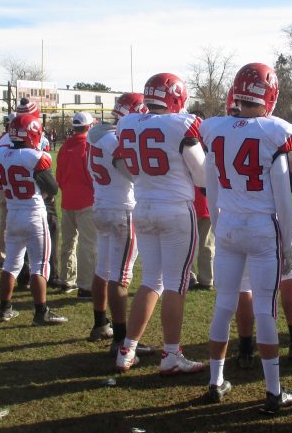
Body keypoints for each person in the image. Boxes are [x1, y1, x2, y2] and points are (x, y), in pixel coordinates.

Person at [200, 63, 292, 412]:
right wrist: (286, 244)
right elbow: (283, 200)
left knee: (224, 303)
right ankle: (273, 391)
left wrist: (218, 224)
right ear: (270, 93)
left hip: (227, 223)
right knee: (265, 310)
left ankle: (215, 381)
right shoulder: (276, 132)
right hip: (262, 227)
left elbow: (210, 188)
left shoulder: (214, 129)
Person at [113, 72, 207, 376]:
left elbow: (121, 165)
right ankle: (171, 354)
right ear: (177, 97)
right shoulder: (180, 124)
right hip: (175, 210)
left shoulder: (128, 122)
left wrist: (145, 180)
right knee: (176, 283)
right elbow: (203, 176)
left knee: (151, 280)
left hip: (143, 208)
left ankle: (126, 349)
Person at [87, 93, 154, 355]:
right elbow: (129, 171)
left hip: (101, 205)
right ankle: (121, 339)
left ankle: (100, 324)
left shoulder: (96, 134)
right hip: (121, 209)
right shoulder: (116, 139)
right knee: (120, 276)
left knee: (103, 270)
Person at [0, 113, 66, 325]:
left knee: (11, 264)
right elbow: (52, 188)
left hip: (13, 213)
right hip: (33, 213)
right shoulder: (35, 156)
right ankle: (41, 312)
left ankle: (4, 309)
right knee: (39, 265)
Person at [56, 111, 98, 296]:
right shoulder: (87, 147)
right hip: (86, 201)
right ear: (88, 127)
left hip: (68, 200)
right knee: (88, 244)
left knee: (68, 242)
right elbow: (92, 176)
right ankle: (86, 284)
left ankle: (67, 279)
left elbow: (59, 176)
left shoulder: (65, 147)